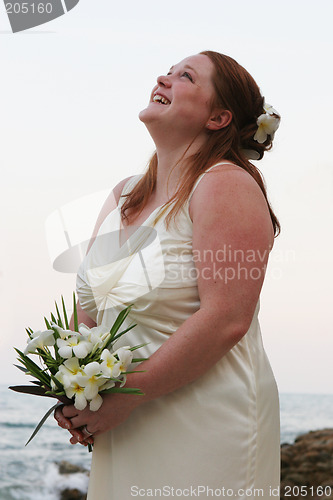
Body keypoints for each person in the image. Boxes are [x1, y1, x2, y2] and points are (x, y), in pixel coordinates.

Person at [55, 50, 281, 499]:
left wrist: (127, 395)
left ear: (218, 117)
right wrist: (76, 390)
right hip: (126, 418)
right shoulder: (125, 194)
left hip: (206, 421)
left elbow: (227, 318)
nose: (164, 76)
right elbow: (91, 311)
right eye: (169, 70)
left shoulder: (226, 184)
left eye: (185, 76)